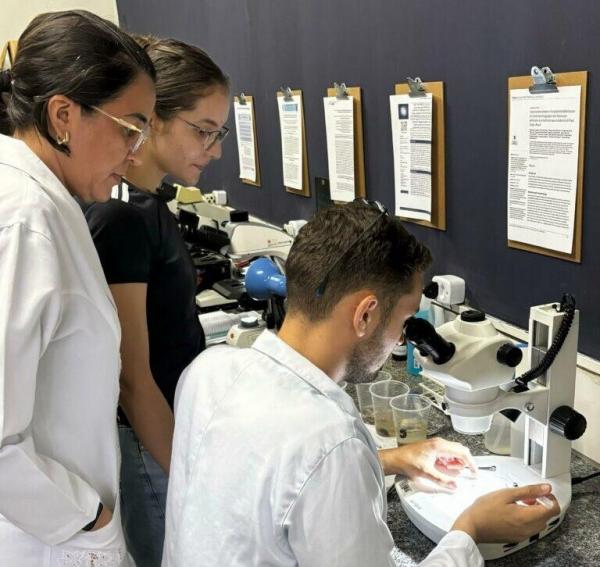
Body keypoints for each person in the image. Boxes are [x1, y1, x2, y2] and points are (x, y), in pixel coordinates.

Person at [163, 201, 560, 566]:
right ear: (365, 315)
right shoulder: (330, 440)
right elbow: (318, 459)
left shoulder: (209, 370)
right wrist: (470, 530)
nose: (402, 341)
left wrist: (389, 460)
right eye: (404, 323)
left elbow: (266, 478)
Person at [0, 10, 155, 566]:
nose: (136, 154)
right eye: (130, 128)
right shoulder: (22, 218)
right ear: (63, 115)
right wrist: (86, 518)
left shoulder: (46, 204)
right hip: (48, 535)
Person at [83, 36, 230, 567]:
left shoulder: (145, 204)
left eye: (220, 134)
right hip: (149, 442)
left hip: (165, 428)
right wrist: (189, 475)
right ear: (153, 118)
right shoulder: (124, 216)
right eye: (204, 132)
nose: (213, 150)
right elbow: (132, 377)